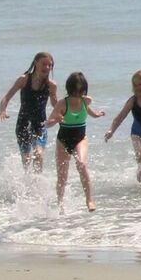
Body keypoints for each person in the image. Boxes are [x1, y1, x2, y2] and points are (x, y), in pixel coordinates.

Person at [45, 72, 105, 211]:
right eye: (75, 90)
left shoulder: (85, 101)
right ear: (69, 89)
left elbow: (92, 113)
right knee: (62, 176)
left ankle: (89, 200)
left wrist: (99, 114)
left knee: (81, 164)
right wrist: (56, 119)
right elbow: (48, 123)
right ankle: (60, 205)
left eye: (81, 90)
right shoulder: (62, 103)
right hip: (63, 140)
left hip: (80, 138)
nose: (78, 93)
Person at [0, 52, 59, 172]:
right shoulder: (24, 79)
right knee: (26, 159)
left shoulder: (51, 85)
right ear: (36, 63)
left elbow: (55, 104)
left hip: (40, 125)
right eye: (44, 64)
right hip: (23, 124)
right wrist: (2, 110)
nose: (47, 67)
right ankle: (26, 184)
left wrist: (61, 114)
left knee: (38, 154)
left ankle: (38, 183)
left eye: (50, 65)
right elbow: (7, 97)